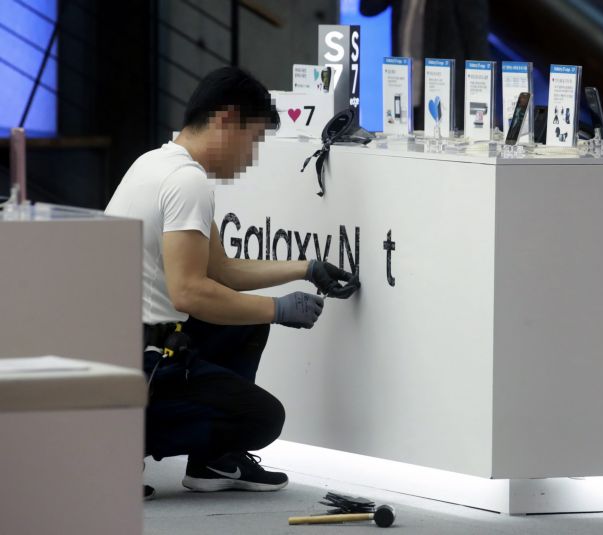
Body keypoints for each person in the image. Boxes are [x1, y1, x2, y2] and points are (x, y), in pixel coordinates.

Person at [105, 67, 360, 499]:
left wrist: (305, 268)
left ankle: (213, 462)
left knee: (244, 321)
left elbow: (220, 271)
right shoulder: (187, 182)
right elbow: (190, 292)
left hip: (116, 351)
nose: (251, 157)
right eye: (254, 139)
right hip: (140, 362)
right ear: (226, 120)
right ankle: (115, 444)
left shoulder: (156, 163)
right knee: (262, 418)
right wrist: (279, 310)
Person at [360, 0, 491, 131]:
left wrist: (483, 99)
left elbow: (477, 41)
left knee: (437, 136)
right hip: (401, 81)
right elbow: (368, 8)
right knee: (400, 138)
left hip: (442, 85)